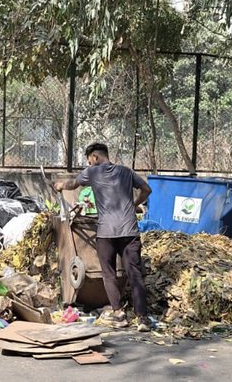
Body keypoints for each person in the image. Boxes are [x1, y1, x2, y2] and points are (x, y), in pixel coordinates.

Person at [54, 142, 153, 331]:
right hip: (130, 231)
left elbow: (72, 184)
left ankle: (118, 313)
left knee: (108, 274)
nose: (89, 163)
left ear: (95, 157)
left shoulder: (92, 172)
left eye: (90, 160)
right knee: (134, 274)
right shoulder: (126, 171)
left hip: (106, 232)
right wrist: (133, 204)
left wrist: (59, 185)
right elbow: (147, 190)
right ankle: (143, 318)